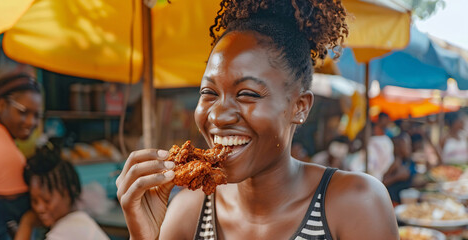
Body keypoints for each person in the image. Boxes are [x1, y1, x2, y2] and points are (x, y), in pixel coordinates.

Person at [116, 1, 399, 239]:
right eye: (209, 92)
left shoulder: (355, 204)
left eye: (247, 94)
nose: (217, 114)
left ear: (300, 107)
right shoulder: (186, 213)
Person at [0, 73, 43, 240]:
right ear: (2, 105)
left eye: (36, 115)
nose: (31, 122)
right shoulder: (9, 157)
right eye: (23, 112)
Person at [15, 143, 109, 240]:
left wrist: (26, 223)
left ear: (68, 192)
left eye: (47, 200)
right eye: (34, 201)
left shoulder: (67, 231)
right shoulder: (80, 221)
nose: (40, 208)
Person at [383, 133, 416, 204]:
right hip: (393, 202)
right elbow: (382, 182)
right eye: (406, 146)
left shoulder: (408, 161)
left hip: (406, 199)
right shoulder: (395, 163)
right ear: (397, 147)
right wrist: (397, 176)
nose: (409, 148)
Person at [368, 113, 395, 180]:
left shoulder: (387, 137)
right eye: (386, 119)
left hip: (378, 175)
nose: (387, 121)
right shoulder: (372, 130)